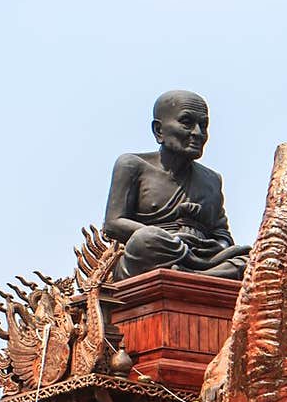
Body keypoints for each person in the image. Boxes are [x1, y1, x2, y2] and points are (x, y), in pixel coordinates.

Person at [102, 90, 251, 281]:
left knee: (248, 259)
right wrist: (171, 238)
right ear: (159, 130)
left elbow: (221, 233)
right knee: (144, 239)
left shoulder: (211, 179)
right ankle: (194, 274)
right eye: (187, 123)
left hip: (202, 256)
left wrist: (218, 246)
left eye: (203, 125)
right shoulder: (132, 165)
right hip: (156, 251)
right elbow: (113, 224)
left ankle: (193, 276)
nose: (197, 133)